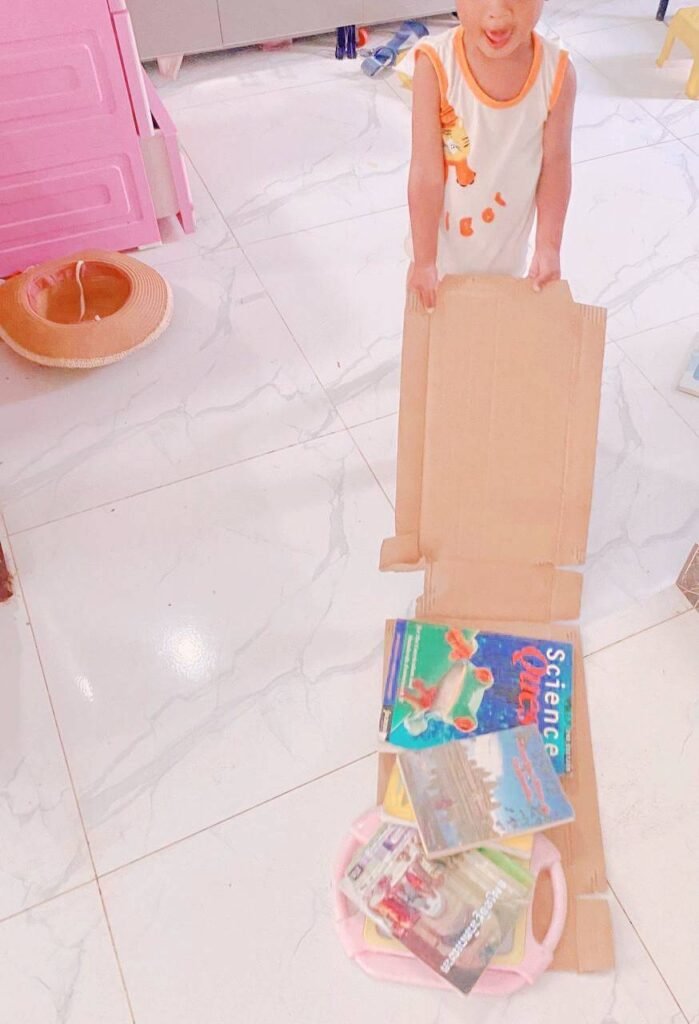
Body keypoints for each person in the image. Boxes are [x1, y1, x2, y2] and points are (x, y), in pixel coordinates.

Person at [404, 0, 576, 312]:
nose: (497, 11)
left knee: (492, 350)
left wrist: (548, 246)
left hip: (507, 266)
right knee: (438, 350)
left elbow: (555, 166)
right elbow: (425, 175)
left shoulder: (557, 75)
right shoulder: (434, 67)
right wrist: (424, 261)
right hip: (437, 261)